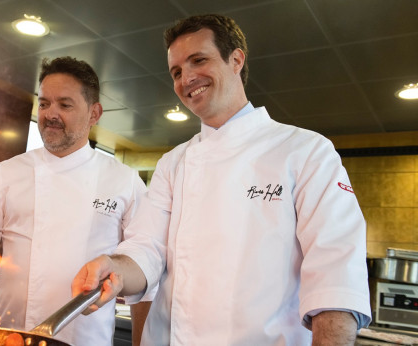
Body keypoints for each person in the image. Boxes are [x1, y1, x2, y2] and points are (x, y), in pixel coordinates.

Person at [72, 14, 371, 345]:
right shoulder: (173, 163)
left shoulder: (306, 151)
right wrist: (112, 268)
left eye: (198, 60)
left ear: (236, 60)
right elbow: (146, 249)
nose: (187, 78)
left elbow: (335, 275)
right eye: (176, 72)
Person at [0, 56, 149, 346]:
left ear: (94, 113)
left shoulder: (124, 181)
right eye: (44, 103)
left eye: (65, 104)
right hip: (12, 338)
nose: (50, 114)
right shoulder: (6, 175)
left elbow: (145, 270)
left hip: (87, 341)